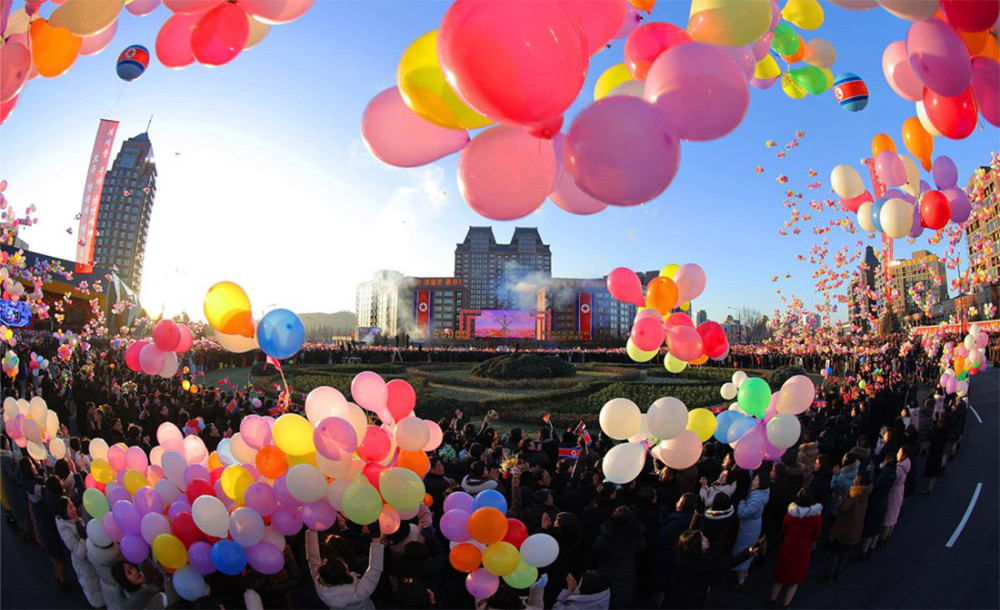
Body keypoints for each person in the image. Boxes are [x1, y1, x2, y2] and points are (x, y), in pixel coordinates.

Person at [671, 529, 766, 609]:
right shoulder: (703, 565)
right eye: (702, 539)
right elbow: (727, 564)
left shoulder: (684, 554)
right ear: (696, 545)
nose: (706, 539)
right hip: (695, 597)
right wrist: (749, 552)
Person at [305, 529, 385, 610]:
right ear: (346, 573)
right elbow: (375, 569)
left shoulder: (320, 585)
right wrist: (376, 537)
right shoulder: (358, 592)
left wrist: (312, 528)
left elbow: (313, 558)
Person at [769, 488, 823, 608]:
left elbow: (784, 528)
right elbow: (817, 534)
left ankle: (772, 600)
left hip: (789, 546)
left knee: (781, 575)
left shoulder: (791, 513)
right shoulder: (816, 517)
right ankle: (786, 604)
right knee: (795, 579)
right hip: (803, 548)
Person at [55, 496, 104, 608]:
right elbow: (79, 553)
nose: (74, 509)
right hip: (86, 568)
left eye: (73, 505)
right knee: (97, 597)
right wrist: (83, 538)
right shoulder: (65, 530)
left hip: (90, 564)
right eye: (70, 507)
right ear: (64, 512)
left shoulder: (74, 520)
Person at [593, 505, 644, 609]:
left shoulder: (606, 533)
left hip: (607, 567)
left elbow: (597, 548)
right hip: (628, 569)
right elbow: (641, 548)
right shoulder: (636, 534)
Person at [824, 471, 871, 583]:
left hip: (844, 529)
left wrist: (840, 502)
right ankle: (839, 571)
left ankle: (830, 575)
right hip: (853, 530)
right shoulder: (865, 494)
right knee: (844, 552)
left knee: (836, 552)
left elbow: (842, 509)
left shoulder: (854, 497)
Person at [732, 473, 770, 589]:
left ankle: (740, 580)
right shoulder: (761, 495)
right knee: (748, 551)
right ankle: (744, 575)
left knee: (742, 553)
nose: (753, 481)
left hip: (748, 528)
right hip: (753, 526)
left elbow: (742, 513)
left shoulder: (756, 500)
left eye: (756, 480)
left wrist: (741, 502)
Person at [860, 454, 896, 559]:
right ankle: (872, 548)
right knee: (877, 527)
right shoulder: (892, 474)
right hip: (883, 501)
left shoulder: (883, 476)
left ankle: (863, 551)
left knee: (870, 528)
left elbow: (874, 485)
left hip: (875, 502)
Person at [881, 446, 911, 544]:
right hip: (900, 491)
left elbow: (892, 480)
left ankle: (883, 539)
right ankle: (888, 536)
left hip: (894, 493)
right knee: (894, 515)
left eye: (899, 452)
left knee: (888, 518)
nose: (897, 454)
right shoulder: (906, 465)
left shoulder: (899, 469)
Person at [923, 417, 948, 494]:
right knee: (936, 468)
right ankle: (931, 487)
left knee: (932, 468)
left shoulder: (934, 431)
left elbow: (928, 438)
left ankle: (929, 487)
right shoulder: (944, 431)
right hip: (940, 450)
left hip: (933, 450)